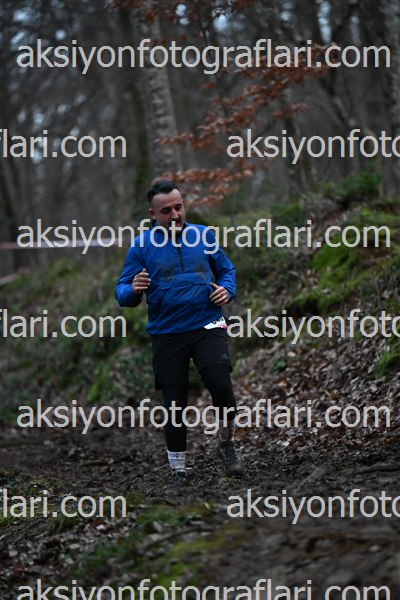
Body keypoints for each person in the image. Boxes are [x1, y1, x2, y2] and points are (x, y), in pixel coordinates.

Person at [115, 180, 243, 487]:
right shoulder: (142, 246)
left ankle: (226, 443)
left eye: (179, 207)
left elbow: (227, 270)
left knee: (221, 385)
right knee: (174, 404)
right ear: (153, 214)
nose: (175, 215)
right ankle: (178, 470)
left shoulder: (203, 235)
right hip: (167, 333)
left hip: (207, 324)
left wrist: (226, 290)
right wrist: (133, 290)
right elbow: (122, 292)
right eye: (166, 211)